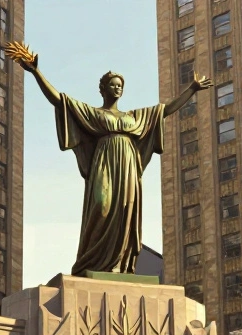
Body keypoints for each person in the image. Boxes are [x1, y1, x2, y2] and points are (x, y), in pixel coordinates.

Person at [12, 44, 211, 276]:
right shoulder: (94, 114)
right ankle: (92, 261)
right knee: (102, 206)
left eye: (120, 86)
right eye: (113, 85)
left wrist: (192, 89)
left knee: (125, 212)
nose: (117, 89)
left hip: (128, 166)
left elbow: (164, 111)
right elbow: (59, 100)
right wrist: (36, 72)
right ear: (103, 89)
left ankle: (119, 265)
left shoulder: (134, 116)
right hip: (105, 163)